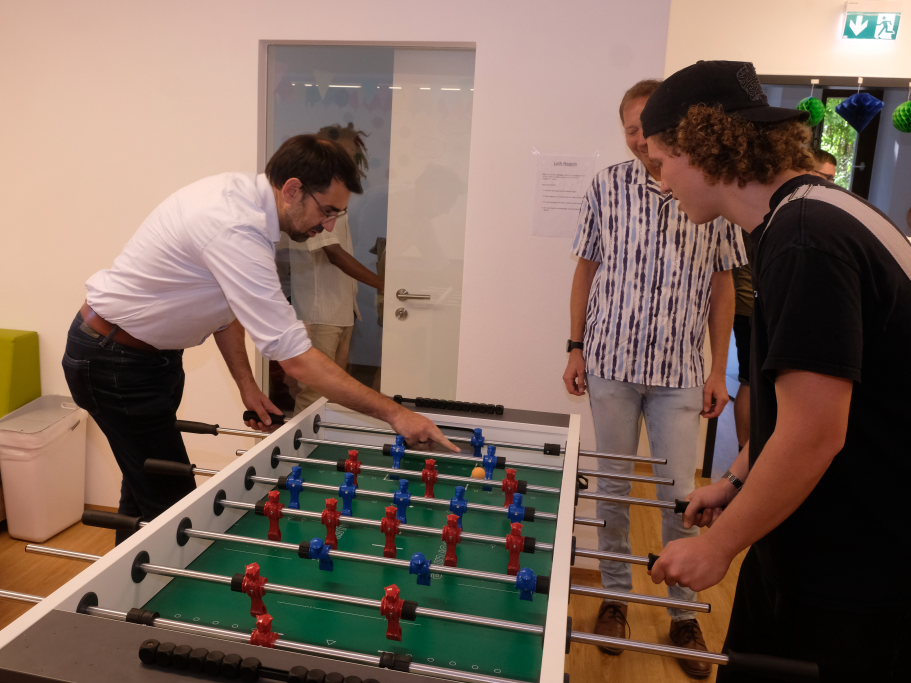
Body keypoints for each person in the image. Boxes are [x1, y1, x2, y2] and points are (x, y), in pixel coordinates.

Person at [642, 60, 910, 682]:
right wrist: (737, 479)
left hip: (858, 567)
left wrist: (718, 546)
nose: (661, 182)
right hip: (835, 543)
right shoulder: (817, 210)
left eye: (661, 162)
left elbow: (815, 432)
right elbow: (800, 402)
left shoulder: (803, 237)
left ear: (701, 146)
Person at [63, 134, 456, 544]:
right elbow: (296, 358)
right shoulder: (234, 225)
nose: (329, 225)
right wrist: (395, 414)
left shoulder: (248, 206)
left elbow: (224, 307)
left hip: (144, 360)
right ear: (292, 190)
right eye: (327, 211)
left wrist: (247, 384)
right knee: (175, 516)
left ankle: (124, 580)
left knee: (144, 490)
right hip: (115, 362)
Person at [562, 79, 747, 678]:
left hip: (680, 373)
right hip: (610, 365)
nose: (641, 140)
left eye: (649, 128)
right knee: (613, 491)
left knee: (680, 499)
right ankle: (615, 598)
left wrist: (717, 368)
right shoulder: (606, 186)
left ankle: (684, 612)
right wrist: (575, 347)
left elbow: (723, 284)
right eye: (630, 130)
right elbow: (585, 270)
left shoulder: (709, 185)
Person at [278, 123, 384, 413]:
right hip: (318, 311)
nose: (347, 160)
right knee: (313, 393)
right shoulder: (311, 202)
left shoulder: (334, 199)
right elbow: (335, 254)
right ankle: (304, 440)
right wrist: (384, 284)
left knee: (334, 392)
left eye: (351, 155)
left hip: (340, 309)